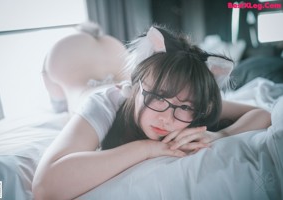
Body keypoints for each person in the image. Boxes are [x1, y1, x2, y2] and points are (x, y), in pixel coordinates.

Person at [32, 25, 271, 200]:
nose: (166, 118)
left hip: (120, 66)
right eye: (157, 97)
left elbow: (262, 115)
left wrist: (221, 135)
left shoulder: (190, 102)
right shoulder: (104, 104)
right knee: (66, 86)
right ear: (137, 88)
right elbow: (45, 188)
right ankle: (85, 36)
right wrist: (145, 149)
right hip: (77, 74)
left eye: (184, 106)